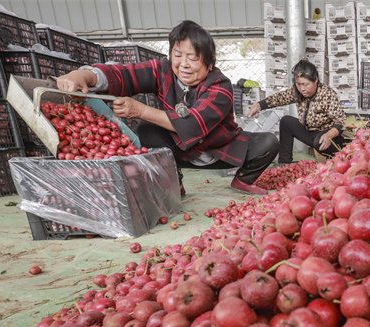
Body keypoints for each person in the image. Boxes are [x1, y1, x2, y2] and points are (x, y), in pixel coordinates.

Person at [56, 20, 278, 196]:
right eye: (178, 55)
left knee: (268, 142)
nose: (184, 64)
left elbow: (193, 124)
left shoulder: (220, 86)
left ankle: (242, 180)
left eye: (193, 58)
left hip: (221, 150)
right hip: (178, 149)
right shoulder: (162, 70)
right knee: (147, 131)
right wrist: (84, 75)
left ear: (209, 63)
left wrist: (140, 110)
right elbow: (125, 74)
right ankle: (175, 183)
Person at [248, 59, 346, 165]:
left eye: (306, 84)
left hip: (327, 136)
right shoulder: (297, 91)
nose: (302, 88)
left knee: (319, 141)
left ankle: (337, 158)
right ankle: (284, 163)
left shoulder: (327, 94)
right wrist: (259, 105)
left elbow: (341, 121)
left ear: (316, 80)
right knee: (286, 122)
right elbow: (281, 97)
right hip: (309, 132)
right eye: (299, 84)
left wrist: (330, 135)